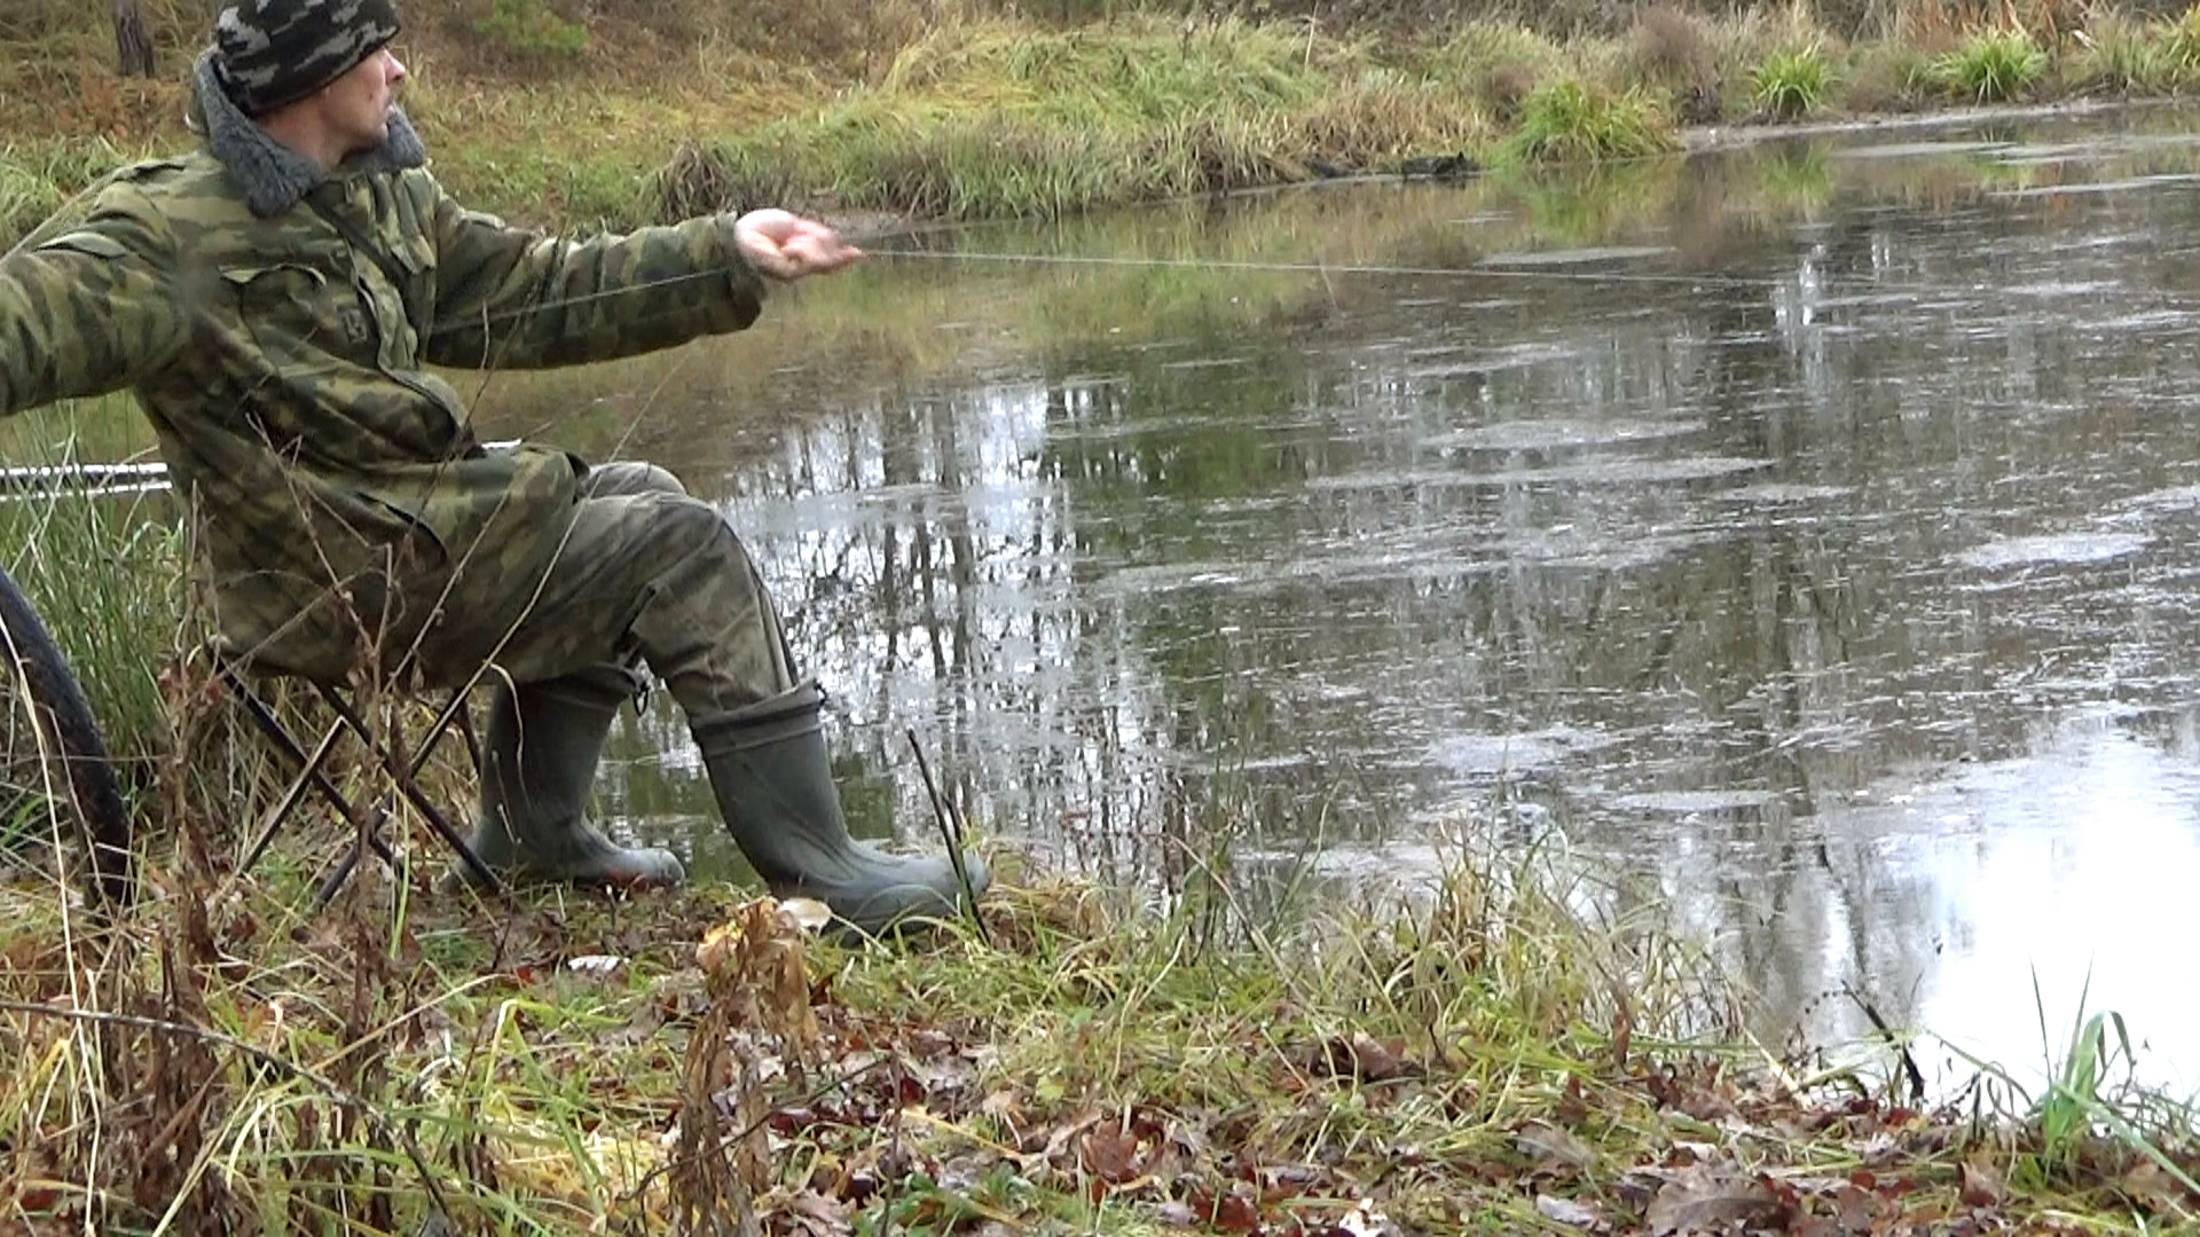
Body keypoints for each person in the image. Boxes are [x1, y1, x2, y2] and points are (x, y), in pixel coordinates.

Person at [0, 0, 988, 935]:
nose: (399, 68)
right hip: (333, 587)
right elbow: (25, 321)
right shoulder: (163, 235)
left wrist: (724, 256)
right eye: (375, 50)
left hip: (416, 536)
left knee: (636, 495)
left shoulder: (378, 194)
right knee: (678, 547)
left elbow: (534, 290)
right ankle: (821, 873)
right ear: (312, 76)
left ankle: (532, 833)